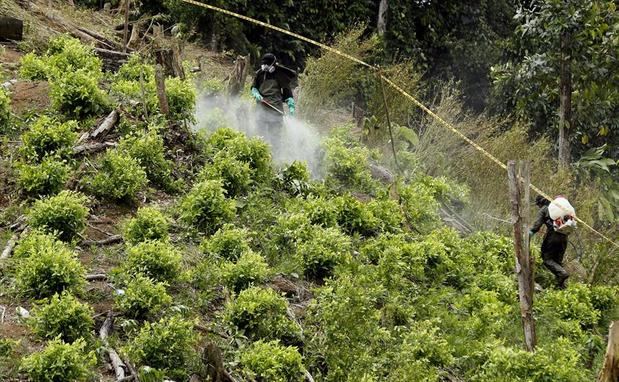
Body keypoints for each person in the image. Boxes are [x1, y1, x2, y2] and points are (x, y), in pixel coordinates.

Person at [250, 53, 296, 151]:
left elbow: (287, 92)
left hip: (276, 110)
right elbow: (254, 87)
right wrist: (256, 93)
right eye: (263, 64)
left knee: (275, 138)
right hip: (261, 108)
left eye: (267, 64)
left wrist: (291, 105)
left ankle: (275, 156)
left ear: (273, 65)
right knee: (259, 136)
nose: (265, 66)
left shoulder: (280, 75)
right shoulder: (260, 74)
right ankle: (260, 154)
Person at [529, 195, 569, 289]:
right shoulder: (559, 209)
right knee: (557, 262)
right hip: (564, 237)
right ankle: (560, 286)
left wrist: (530, 233)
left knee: (547, 259)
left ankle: (563, 274)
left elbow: (537, 226)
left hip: (553, 237)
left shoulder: (544, 209)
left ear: (540, 203)